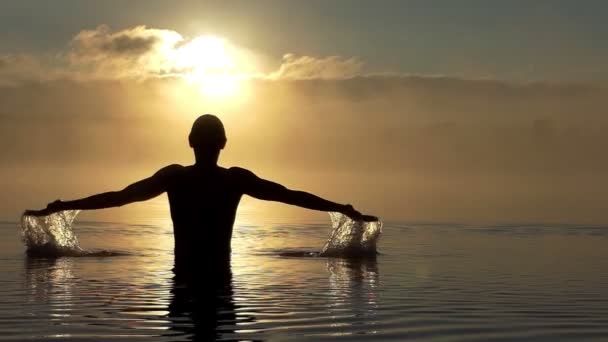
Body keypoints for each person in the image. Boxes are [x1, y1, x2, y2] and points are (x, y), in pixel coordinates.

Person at [26, 114, 376, 279]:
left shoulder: (175, 177)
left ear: (190, 141)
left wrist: (64, 204)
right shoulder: (234, 180)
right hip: (220, 278)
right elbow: (290, 196)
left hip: (183, 277)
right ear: (224, 143)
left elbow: (119, 197)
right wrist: (341, 208)